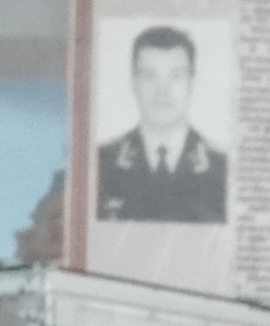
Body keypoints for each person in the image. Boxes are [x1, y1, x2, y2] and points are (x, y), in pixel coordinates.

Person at [96, 25, 229, 223]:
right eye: (149, 76)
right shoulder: (101, 162)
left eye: (176, 76)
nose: (162, 90)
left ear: (192, 82)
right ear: (133, 82)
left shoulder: (223, 167)